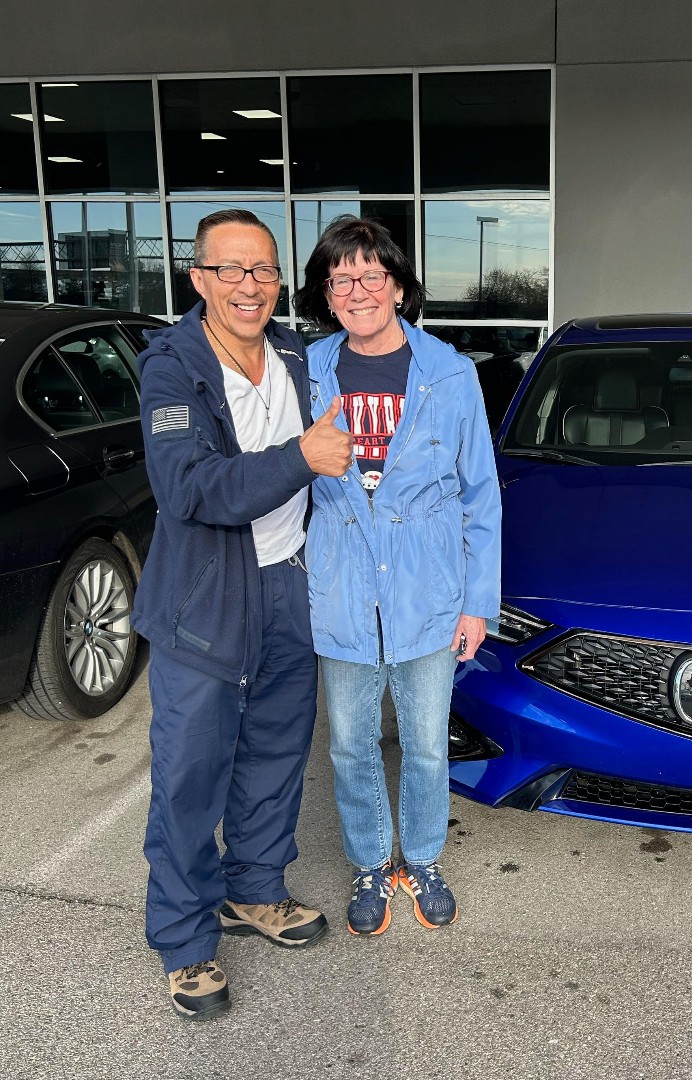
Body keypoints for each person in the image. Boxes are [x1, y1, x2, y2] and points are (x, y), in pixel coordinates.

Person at [133, 208, 354, 1019]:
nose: (250, 286)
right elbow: (190, 489)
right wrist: (301, 457)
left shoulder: (295, 353)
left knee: (274, 753)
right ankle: (186, 942)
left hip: (288, 585)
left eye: (263, 269)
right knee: (191, 773)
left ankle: (254, 891)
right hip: (205, 598)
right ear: (198, 278)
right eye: (231, 270)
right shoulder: (172, 368)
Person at [293, 216, 501, 936]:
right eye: (340, 278)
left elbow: (482, 496)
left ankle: (423, 858)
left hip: (428, 594)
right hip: (345, 591)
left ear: (399, 287)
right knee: (349, 742)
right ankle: (369, 864)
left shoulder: (450, 374)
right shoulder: (308, 370)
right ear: (328, 294)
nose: (357, 289)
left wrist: (478, 603)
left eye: (370, 275)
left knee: (424, 739)